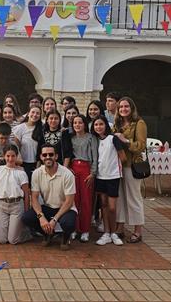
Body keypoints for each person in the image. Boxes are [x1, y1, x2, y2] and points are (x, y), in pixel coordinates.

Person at [22, 144, 78, 250]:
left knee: (68, 223)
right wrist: (41, 217)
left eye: (51, 154)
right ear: (41, 157)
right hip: (48, 207)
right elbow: (34, 198)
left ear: (56, 156)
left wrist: (54, 220)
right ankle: (48, 234)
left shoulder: (67, 174)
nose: (48, 157)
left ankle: (66, 237)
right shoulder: (37, 173)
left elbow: (69, 201)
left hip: (65, 208)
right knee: (27, 218)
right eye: (45, 155)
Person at [113, 96, 146, 244]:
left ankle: (138, 230)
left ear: (131, 108)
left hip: (132, 166)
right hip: (118, 166)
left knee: (133, 197)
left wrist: (125, 140)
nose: (123, 109)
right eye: (121, 107)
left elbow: (141, 145)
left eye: (126, 106)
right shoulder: (117, 123)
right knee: (120, 198)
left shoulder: (139, 123)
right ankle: (120, 227)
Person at [62, 114, 98, 243]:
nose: (77, 125)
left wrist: (93, 173)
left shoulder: (91, 138)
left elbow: (95, 156)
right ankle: (74, 229)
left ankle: (85, 230)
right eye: (75, 123)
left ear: (85, 124)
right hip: (73, 169)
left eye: (80, 122)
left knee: (86, 201)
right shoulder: (71, 138)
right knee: (74, 200)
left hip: (86, 169)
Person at [90, 115, 125, 246]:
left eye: (101, 124)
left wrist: (114, 167)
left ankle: (114, 233)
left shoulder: (113, 139)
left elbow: (123, 157)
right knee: (103, 205)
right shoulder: (95, 141)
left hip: (113, 177)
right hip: (100, 177)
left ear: (106, 125)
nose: (98, 127)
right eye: (96, 125)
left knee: (112, 207)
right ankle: (106, 233)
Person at [0, 146, 31, 245]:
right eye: (8, 156)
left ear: (16, 156)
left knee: (12, 240)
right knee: (1, 240)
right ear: (4, 156)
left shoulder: (21, 173)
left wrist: (26, 210)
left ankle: (26, 234)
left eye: (13, 156)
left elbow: (26, 193)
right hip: (2, 205)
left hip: (16, 206)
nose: (10, 159)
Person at [12, 105, 43, 181]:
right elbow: (16, 147)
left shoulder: (42, 128)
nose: (35, 115)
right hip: (22, 163)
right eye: (33, 112)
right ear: (28, 113)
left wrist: (38, 165)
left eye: (37, 113)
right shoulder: (20, 128)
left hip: (37, 163)